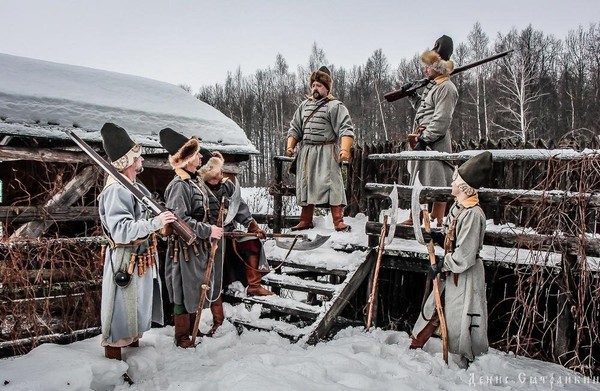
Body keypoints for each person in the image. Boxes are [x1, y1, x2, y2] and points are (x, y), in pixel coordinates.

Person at [98, 123, 176, 360]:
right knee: (120, 308)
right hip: (125, 257)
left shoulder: (134, 186)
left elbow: (146, 214)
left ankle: (137, 356)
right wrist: (154, 223)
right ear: (128, 161)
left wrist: (160, 222)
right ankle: (113, 361)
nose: (141, 158)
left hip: (141, 252)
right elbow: (121, 230)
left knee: (137, 305)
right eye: (137, 155)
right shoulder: (116, 190)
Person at [409, 151, 493, 366]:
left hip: (465, 273)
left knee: (462, 315)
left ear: (465, 186)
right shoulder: (458, 207)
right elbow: (453, 237)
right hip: (451, 269)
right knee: (434, 306)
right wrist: (438, 237)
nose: (452, 182)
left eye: (456, 179)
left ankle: (468, 359)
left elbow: (465, 254)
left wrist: (441, 264)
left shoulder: (473, 214)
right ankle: (415, 345)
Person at [159, 127, 224, 348]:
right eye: (196, 154)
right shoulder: (178, 186)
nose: (201, 157)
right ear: (186, 159)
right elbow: (180, 220)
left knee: (197, 289)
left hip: (197, 249)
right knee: (182, 291)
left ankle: (194, 330)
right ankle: (182, 336)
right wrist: (208, 231)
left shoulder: (194, 182)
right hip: (184, 250)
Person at [286, 66, 355, 232]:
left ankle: (338, 221)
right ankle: (305, 220)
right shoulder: (304, 106)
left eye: (319, 85)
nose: (315, 88)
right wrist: (290, 145)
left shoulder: (335, 106)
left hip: (327, 151)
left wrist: (345, 150)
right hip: (307, 152)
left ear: (327, 88)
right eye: (313, 85)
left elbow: (346, 128)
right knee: (306, 184)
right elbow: (295, 128)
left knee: (332, 183)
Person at [197, 147, 271, 298]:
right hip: (208, 234)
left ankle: (254, 285)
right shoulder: (199, 189)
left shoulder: (228, 186)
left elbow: (239, 208)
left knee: (251, 241)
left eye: (220, 171)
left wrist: (252, 226)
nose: (220, 174)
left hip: (230, 231)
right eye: (216, 172)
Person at [403, 35, 459, 226]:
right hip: (424, 139)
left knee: (437, 181)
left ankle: (436, 220)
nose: (425, 69)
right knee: (420, 179)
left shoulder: (446, 88)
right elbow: (425, 110)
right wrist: (412, 96)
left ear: (437, 67)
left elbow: (441, 120)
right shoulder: (434, 86)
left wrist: (424, 140)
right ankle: (417, 217)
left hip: (435, 142)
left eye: (428, 65)